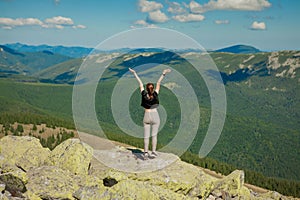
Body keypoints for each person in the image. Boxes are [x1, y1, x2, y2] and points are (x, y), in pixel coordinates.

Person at [129, 67, 171, 160]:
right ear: (153, 89)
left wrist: (134, 73)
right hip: (155, 115)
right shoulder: (155, 94)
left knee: (146, 136)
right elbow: (159, 83)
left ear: (147, 89)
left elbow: (140, 83)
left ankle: (145, 153)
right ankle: (153, 152)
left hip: (146, 115)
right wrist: (163, 73)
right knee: (154, 135)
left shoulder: (144, 94)